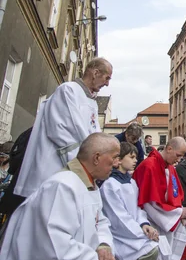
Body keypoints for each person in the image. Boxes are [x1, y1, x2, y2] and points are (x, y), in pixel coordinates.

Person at [0, 133, 120, 260]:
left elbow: (101, 221)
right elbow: (55, 248)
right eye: (115, 157)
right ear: (97, 158)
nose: (117, 164)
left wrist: (104, 245)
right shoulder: (62, 186)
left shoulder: (91, 187)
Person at [14, 58, 112, 198]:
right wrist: (86, 166)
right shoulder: (68, 90)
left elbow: (94, 137)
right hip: (54, 168)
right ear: (95, 73)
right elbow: (64, 134)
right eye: (107, 78)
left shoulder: (92, 103)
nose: (107, 83)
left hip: (76, 170)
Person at [133, 137, 186, 260]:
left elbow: (175, 196)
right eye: (178, 155)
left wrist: (183, 213)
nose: (179, 160)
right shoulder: (149, 166)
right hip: (152, 219)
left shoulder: (170, 167)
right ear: (169, 149)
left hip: (167, 216)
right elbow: (149, 202)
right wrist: (179, 213)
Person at [100, 142, 159, 260]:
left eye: (136, 157)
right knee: (149, 250)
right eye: (131, 157)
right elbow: (118, 217)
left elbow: (138, 209)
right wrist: (140, 233)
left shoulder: (132, 182)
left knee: (155, 248)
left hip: (135, 230)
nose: (136, 160)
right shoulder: (110, 185)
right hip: (121, 237)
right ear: (119, 160)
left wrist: (145, 225)